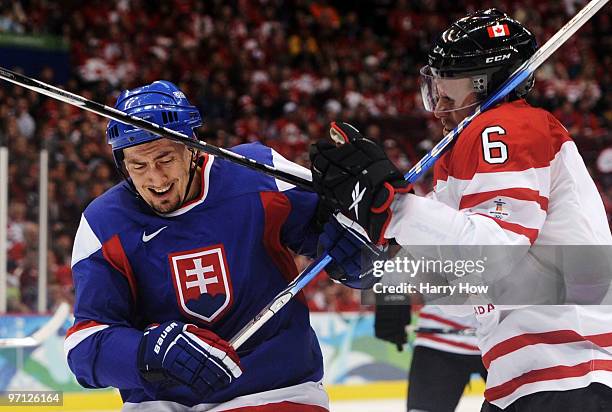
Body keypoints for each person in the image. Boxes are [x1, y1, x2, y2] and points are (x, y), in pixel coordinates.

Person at [310, 9, 612, 412]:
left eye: (448, 85)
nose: (439, 101)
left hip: (569, 373)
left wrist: (390, 210)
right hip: (531, 379)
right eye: (435, 86)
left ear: (485, 83)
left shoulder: (505, 125)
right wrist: (372, 249)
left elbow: (492, 257)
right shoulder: (469, 148)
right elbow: (460, 283)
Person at [63, 80, 365, 411]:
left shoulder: (257, 172)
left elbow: (351, 251)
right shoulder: (103, 223)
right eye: (139, 166)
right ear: (122, 165)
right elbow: (83, 345)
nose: (156, 179)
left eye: (165, 158)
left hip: (273, 392)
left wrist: (358, 253)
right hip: (162, 404)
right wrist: (149, 352)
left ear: (192, 147)